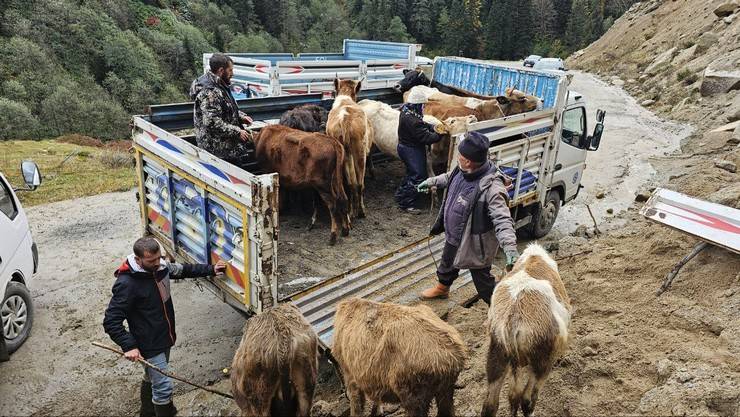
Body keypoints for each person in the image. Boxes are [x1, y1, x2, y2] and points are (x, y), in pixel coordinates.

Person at [103, 237, 226, 417]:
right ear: (138, 260)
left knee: (151, 377)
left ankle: (147, 413)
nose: (157, 263)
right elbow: (111, 321)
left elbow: (184, 270)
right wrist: (129, 346)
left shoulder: (162, 268)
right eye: (151, 261)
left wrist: (211, 269)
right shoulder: (127, 284)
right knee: (163, 386)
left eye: (158, 258)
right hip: (148, 343)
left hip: (164, 336)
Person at [416, 131, 520, 304]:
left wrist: (510, 249)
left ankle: (501, 306)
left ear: (468, 161)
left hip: (475, 244)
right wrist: (432, 182)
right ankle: (442, 288)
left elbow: (503, 220)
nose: (458, 157)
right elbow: (450, 178)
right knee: (447, 263)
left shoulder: (493, 189)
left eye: (460, 156)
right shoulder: (462, 170)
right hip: (454, 235)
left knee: (484, 284)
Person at [189, 53, 254, 166]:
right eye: (230, 70)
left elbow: (224, 108)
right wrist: (237, 131)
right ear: (220, 70)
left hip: (225, 148)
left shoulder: (219, 85)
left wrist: (241, 117)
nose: (232, 74)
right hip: (219, 154)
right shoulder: (210, 91)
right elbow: (212, 122)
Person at [395, 89, 450, 214]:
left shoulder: (406, 111)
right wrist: (439, 133)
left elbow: (421, 123)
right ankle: (407, 204)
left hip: (404, 147)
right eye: (422, 105)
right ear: (417, 104)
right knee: (418, 176)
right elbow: (427, 138)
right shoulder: (413, 121)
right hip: (412, 150)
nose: (424, 107)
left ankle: (401, 196)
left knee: (410, 173)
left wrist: (432, 126)